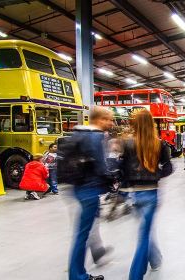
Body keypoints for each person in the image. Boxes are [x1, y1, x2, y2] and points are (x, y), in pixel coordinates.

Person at [119, 108, 173, 280]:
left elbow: (120, 171)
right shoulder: (159, 143)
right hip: (151, 193)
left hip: (131, 193)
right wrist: (155, 176)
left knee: (144, 231)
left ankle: (155, 260)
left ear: (134, 124)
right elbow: (169, 168)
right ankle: (135, 276)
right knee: (145, 233)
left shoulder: (126, 144)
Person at [68, 106, 114, 280]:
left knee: (84, 233)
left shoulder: (78, 133)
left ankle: (79, 272)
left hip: (78, 187)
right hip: (90, 189)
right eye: (108, 119)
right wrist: (113, 179)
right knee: (83, 235)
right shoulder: (96, 137)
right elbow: (101, 167)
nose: (110, 123)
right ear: (99, 120)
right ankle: (77, 275)